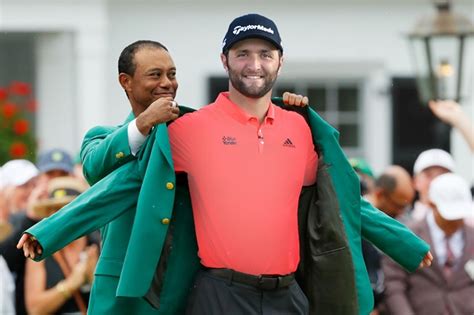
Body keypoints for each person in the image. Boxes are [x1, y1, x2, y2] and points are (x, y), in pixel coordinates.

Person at [19, 15, 432, 315]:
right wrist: (50, 232)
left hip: (288, 295)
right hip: (216, 293)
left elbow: (343, 199)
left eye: (265, 54)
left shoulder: (300, 128)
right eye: (243, 54)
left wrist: (405, 244)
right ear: (225, 60)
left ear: (280, 62)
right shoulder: (190, 128)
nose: (254, 63)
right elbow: (120, 183)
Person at [18, 39, 307, 315]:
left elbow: (250, 147)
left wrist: (286, 111)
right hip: (126, 285)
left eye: (172, 74)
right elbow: (100, 178)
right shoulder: (102, 136)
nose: (167, 83)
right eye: (155, 75)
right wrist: (145, 123)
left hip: (187, 283)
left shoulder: (192, 131)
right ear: (126, 82)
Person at [383, 173, 474, 314]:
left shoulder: (472, 235)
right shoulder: (407, 236)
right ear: (432, 205)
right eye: (450, 216)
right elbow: (393, 283)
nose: (456, 221)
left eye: (460, 215)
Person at [24, 176, 98, 315]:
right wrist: (71, 284)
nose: (61, 218)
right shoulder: (39, 250)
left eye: (67, 210)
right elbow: (34, 309)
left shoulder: (97, 244)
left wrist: (94, 278)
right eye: (55, 210)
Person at [361, 165, 416, 314]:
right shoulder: (356, 221)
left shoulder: (402, 221)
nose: (402, 213)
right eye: (399, 206)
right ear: (379, 194)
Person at [411, 148, 455, 222]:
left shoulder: (469, 223)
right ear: (415, 181)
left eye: (443, 175)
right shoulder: (400, 222)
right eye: (429, 175)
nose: (436, 180)